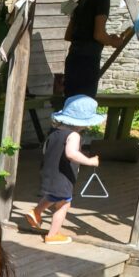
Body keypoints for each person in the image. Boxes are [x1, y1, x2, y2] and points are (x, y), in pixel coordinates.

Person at [27, 95, 104, 245]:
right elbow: (71, 153)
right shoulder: (74, 135)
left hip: (50, 172)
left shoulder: (54, 132)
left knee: (53, 195)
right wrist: (89, 161)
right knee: (64, 203)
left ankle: (35, 212)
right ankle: (53, 234)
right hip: (62, 174)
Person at [63, 0, 128, 99]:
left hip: (73, 58)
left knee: (70, 104)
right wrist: (114, 42)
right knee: (84, 104)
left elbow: (69, 35)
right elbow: (98, 34)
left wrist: (107, 37)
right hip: (87, 62)